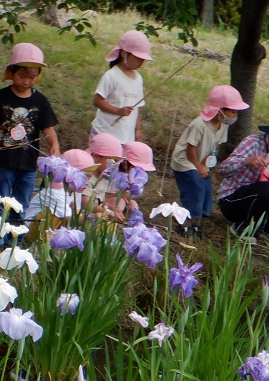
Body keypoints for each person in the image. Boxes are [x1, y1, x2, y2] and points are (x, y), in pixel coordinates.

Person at [0, 42, 60, 222]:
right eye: (22, 76)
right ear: (12, 72)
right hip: (3, 161)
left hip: (28, 164)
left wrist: (54, 145)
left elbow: (47, 127)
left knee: (21, 203)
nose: (26, 81)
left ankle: (13, 239)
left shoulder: (40, 101)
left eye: (32, 77)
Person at [171, 85, 248, 237]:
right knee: (195, 189)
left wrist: (204, 165)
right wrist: (198, 166)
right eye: (232, 111)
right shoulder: (199, 125)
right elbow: (190, 148)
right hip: (185, 162)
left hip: (200, 162)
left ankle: (197, 224)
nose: (234, 115)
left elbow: (213, 147)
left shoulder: (223, 126)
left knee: (206, 191)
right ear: (219, 110)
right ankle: (185, 224)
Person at [90, 30, 153, 144]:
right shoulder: (112, 75)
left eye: (143, 59)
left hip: (126, 138)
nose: (142, 62)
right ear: (124, 53)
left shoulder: (138, 79)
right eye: (138, 58)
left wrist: (137, 131)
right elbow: (97, 100)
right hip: (104, 134)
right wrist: (118, 111)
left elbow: (137, 107)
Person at [217, 125, 269, 243]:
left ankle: (260, 226)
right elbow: (223, 169)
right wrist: (247, 161)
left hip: (263, 208)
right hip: (232, 199)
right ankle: (243, 228)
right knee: (266, 189)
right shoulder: (253, 142)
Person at [25, 148, 97, 225]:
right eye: (84, 177)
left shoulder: (76, 192)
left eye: (89, 178)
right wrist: (95, 218)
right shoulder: (56, 192)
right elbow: (69, 220)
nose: (86, 182)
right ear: (70, 173)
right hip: (33, 231)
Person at [82, 133, 126, 218]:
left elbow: (99, 200)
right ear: (96, 157)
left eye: (117, 162)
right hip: (83, 218)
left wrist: (110, 206)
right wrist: (107, 212)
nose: (114, 165)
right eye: (111, 161)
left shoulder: (104, 177)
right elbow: (86, 203)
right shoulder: (88, 177)